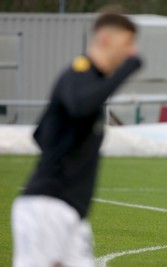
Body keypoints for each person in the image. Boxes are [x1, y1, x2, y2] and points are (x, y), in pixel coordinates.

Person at [11, 12, 141, 267]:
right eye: (127, 44)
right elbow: (81, 105)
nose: (132, 52)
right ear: (105, 39)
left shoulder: (90, 83)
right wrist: (127, 70)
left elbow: (41, 134)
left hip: (69, 212)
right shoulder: (79, 73)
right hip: (47, 207)